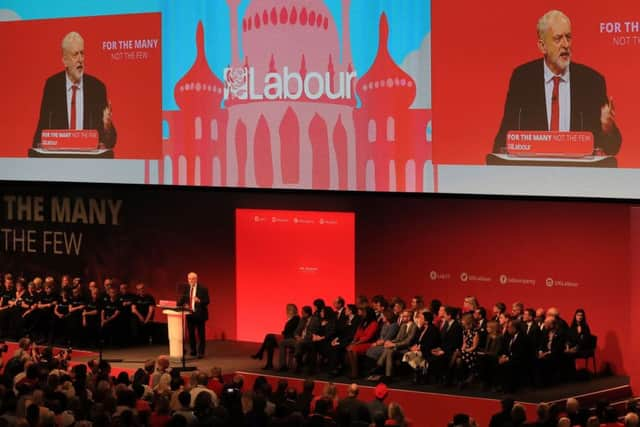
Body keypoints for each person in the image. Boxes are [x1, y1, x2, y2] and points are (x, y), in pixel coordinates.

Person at [493, 10, 621, 155]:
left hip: (579, 173)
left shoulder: (591, 82)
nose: (565, 44)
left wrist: (607, 128)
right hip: (534, 173)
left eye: (568, 37)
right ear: (542, 46)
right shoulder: (523, 80)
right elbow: (503, 138)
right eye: (558, 38)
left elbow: (613, 148)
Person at [33, 31, 117, 148]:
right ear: (65, 60)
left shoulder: (97, 88)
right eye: (75, 54)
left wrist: (107, 127)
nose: (80, 59)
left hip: (89, 160)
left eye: (82, 53)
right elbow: (40, 134)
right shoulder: (52, 87)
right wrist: (40, 145)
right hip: (60, 161)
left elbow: (110, 141)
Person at [252, 303, 300, 370]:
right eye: (287, 309)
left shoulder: (296, 318)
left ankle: (260, 353)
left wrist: (287, 324)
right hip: (286, 336)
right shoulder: (292, 318)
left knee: (269, 335)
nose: (287, 311)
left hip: (289, 338)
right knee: (269, 343)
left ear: (293, 310)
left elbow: (289, 330)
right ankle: (269, 364)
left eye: (289, 309)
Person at [178, 272, 210, 358]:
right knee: (191, 334)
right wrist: (180, 304)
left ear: (196, 279)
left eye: (192, 279)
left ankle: (201, 352)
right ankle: (193, 351)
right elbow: (182, 300)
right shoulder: (186, 288)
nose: (191, 280)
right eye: (189, 279)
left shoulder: (203, 289)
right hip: (190, 314)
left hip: (199, 315)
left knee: (201, 335)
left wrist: (199, 301)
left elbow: (207, 301)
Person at [345, 307, 379, 379]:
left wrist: (356, 343)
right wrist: (354, 341)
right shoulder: (363, 322)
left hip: (369, 343)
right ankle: (353, 370)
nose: (363, 314)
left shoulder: (374, 323)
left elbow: (368, 337)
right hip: (359, 342)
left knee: (354, 349)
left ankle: (355, 373)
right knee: (349, 349)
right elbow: (357, 333)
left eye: (365, 313)